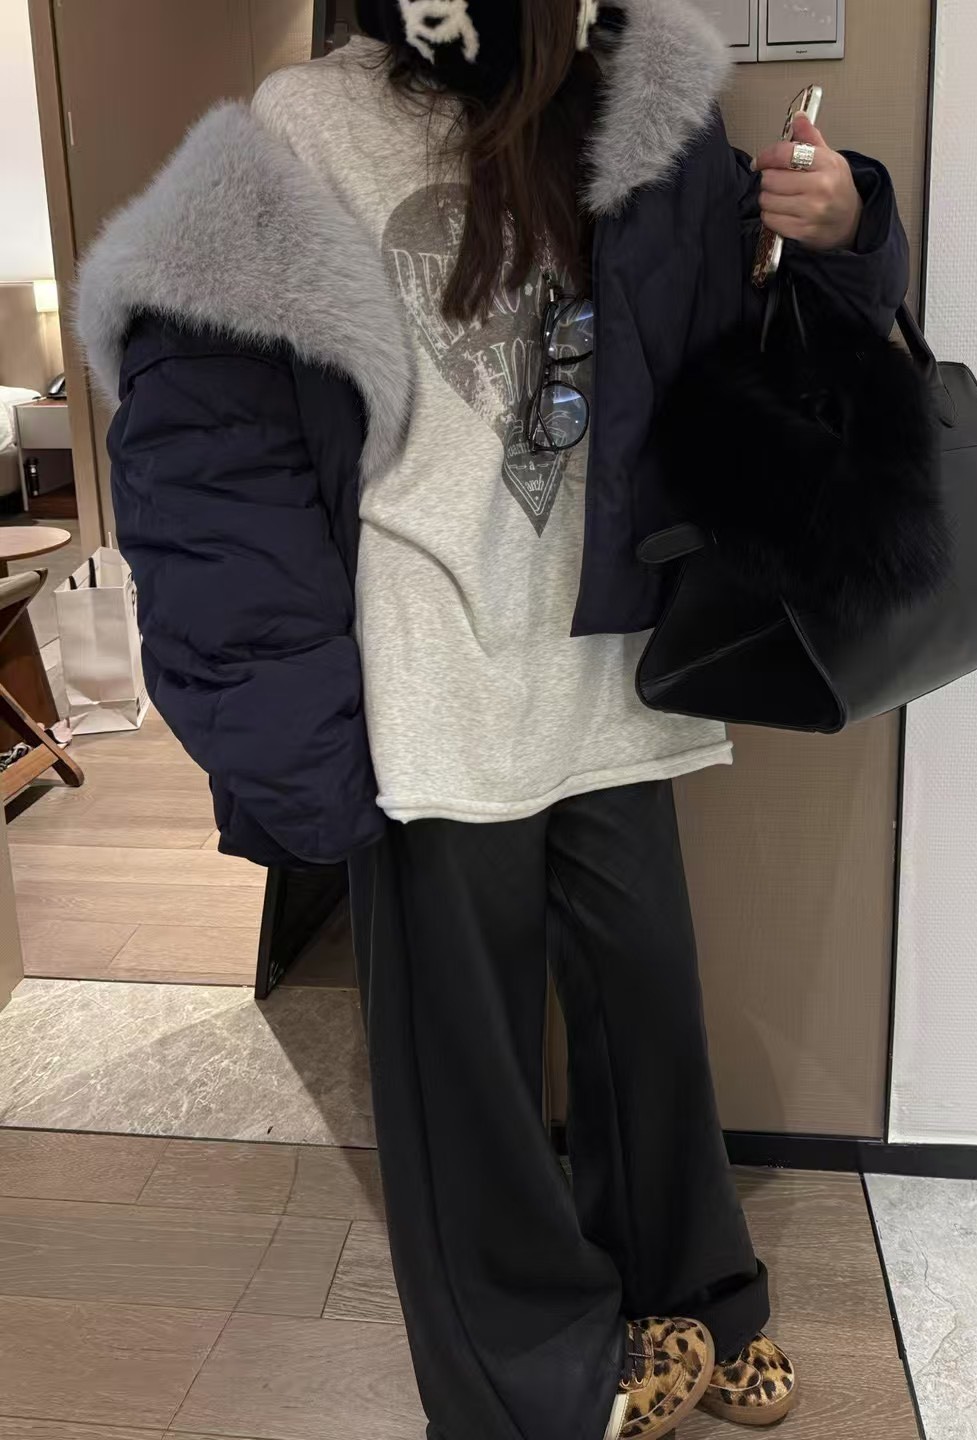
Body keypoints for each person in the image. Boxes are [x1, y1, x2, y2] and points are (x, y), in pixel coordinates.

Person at [77, 2, 909, 1436]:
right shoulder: (303, 130)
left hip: (605, 656)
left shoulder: (641, 102)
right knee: (462, 1067)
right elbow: (205, 446)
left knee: (649, 1014)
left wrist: (846, 229)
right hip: (426, 667)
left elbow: (756, 331)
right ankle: (536, 1378)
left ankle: (692, 1292)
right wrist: (293, 728)